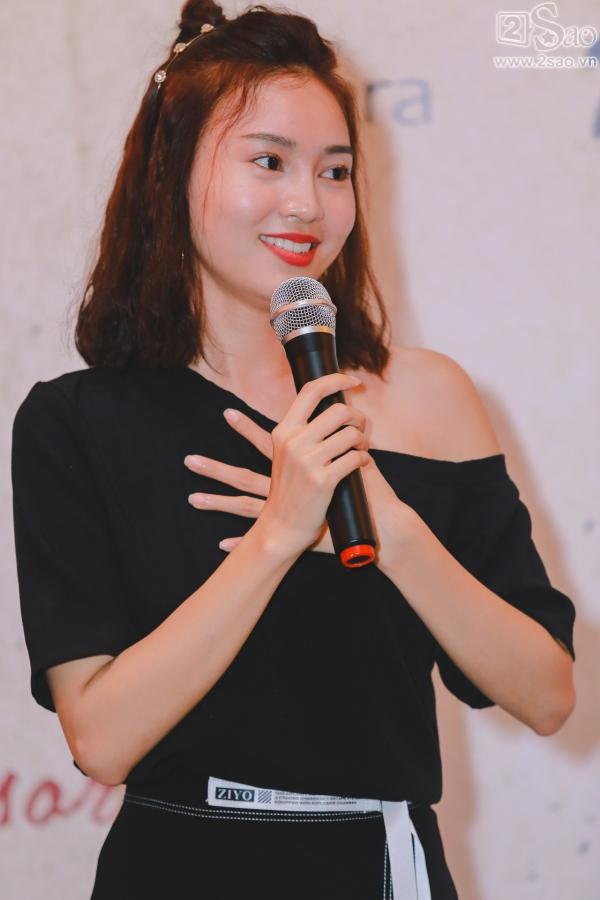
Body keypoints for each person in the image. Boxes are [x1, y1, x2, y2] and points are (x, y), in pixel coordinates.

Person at [10, 2, 577, 898]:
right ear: (169, 171)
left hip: (382, 864)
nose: (308, 203)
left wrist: (391, 533)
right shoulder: (75, 422)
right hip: (180, 868)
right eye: (268, 161)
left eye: (335, 170)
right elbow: (102, 739)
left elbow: (546, 694)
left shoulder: (427, 397)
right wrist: (279, 533)